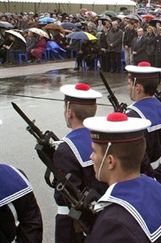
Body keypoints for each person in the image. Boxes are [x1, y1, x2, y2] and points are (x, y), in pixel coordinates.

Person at [83, 112, 161, 242]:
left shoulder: (112, 223)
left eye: (94, 151)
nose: (91, 157)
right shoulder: (157, 188)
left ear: (110, 161)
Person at [54, 83, 107, 243]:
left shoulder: (65, 149)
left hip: (74, 225)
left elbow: (65, 196)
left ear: (69, 112)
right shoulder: (105, 137)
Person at [124, 62, 161, 194]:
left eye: (129, 84)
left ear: (137, 88)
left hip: (138, 180)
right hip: (160, 173)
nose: (128, 87)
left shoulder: (131, 116)